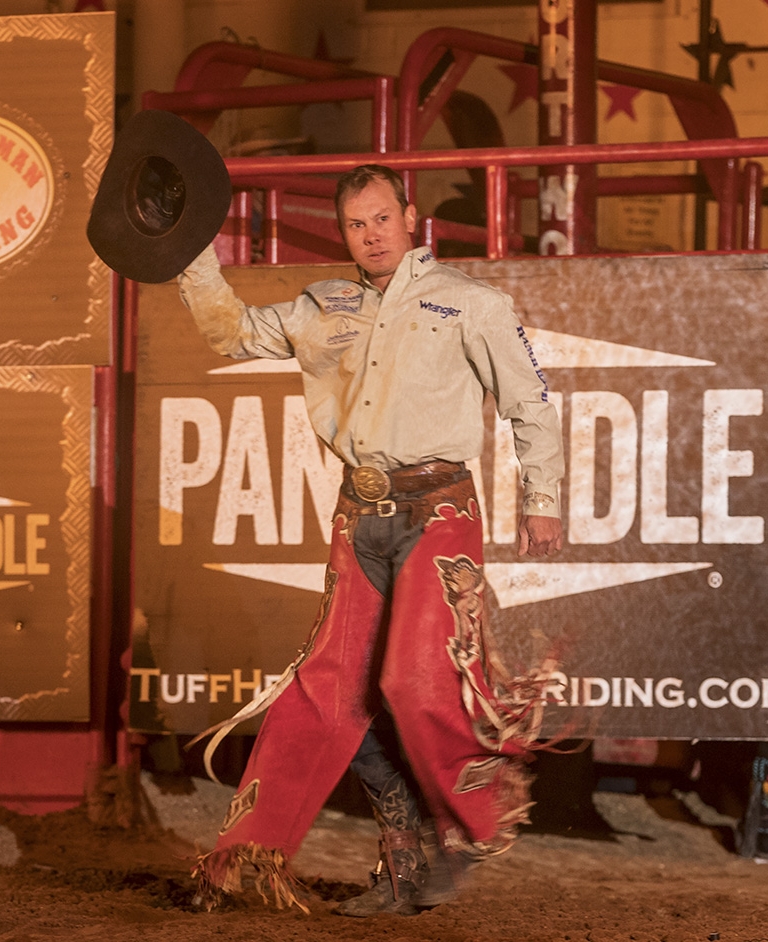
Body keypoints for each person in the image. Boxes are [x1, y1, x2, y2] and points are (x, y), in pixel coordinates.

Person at [177, 164, 565, 914]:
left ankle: (465, 828)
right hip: (360, 516)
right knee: (327, 694)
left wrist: (539, 500)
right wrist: (192, 253)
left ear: (409, 217)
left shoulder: (473, 304)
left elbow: (530, 403)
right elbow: (229, 333)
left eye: (382, 218)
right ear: (344, 231)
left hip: (439, 514)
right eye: (357, 224)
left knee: (413, 684)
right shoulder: (322, 306)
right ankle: (255, 857)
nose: (372, 234)